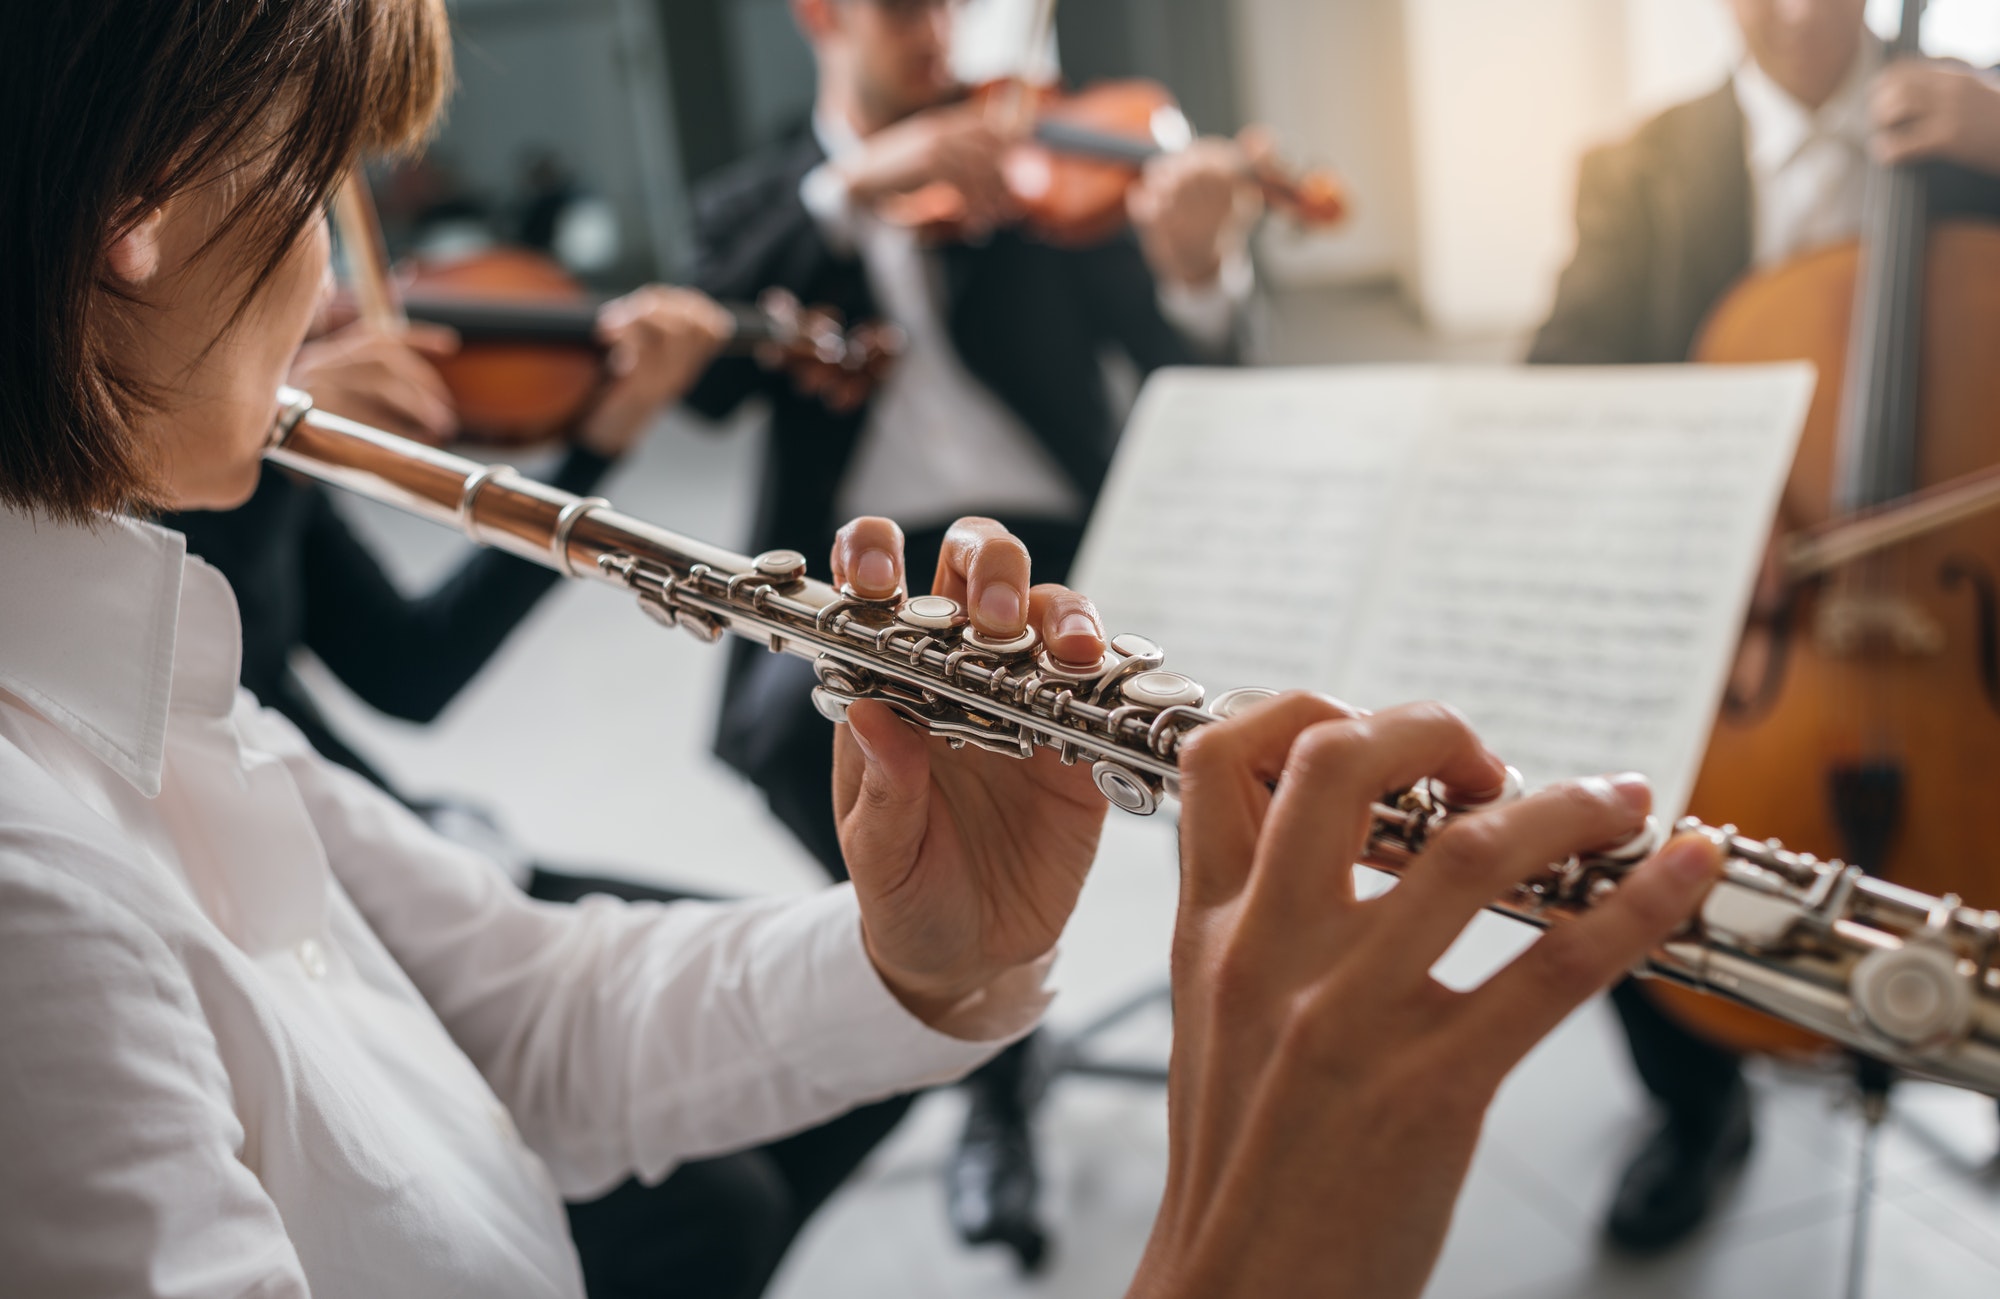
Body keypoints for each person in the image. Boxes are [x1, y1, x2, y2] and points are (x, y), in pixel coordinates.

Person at [0, 2, 1731, 1295]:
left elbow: (537, 1018)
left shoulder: (148, 679)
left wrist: (925, 958)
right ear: (136, 210)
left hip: (1044, 528)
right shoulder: (37, 897)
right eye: (318, 187)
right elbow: (736, 302)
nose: (336, 274)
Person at [681, 0, 1261, 1261]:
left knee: (1210, 741)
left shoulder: (1030, 166)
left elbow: (1180, 357)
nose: (941, 27)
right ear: (820, 14)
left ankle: (1243, 1067)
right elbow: (712, 377)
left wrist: (1197, 270)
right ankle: (988, 1047)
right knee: (783, 742)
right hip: (868, 563)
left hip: (1069, 536)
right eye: (904, 7)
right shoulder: (763, 199)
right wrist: (849, 194)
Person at [1530, 0, 2000, 1254]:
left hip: (1973, 593)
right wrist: (1696, 496)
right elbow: (1564, 380)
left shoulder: (1978, 123)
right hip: (1745, 612)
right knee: (1610, 818)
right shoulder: (1638, 166)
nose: (1795, 12)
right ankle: (1696, 1107)